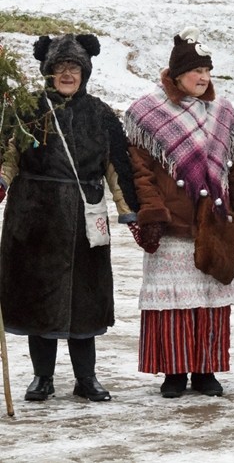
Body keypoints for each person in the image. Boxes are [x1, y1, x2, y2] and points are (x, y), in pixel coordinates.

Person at [0, 34, 139, 402]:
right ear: (48, 72)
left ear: (85, 72)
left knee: (85, 302)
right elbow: (10, 154)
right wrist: (1, 180)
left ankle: (86, 379)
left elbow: (115, 166)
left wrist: (129, 209)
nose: (67, 74)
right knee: (39, 300)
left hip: (84, 219)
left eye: (73, 67)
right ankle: (42, 378)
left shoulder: (100, 113)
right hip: (35, 219)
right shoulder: (28, 111)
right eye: (59, 67)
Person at [124, 27, 234, 397]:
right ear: (176, 73)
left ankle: (205, 371)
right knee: (173, 305)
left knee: (210, 301)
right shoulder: (146, 112)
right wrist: (152, 212)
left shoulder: (223, 112)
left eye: (207, 71)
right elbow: (141, 172)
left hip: (214, 222)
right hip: (174, 227)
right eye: (195, 71)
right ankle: (174, 372)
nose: (203, 78)